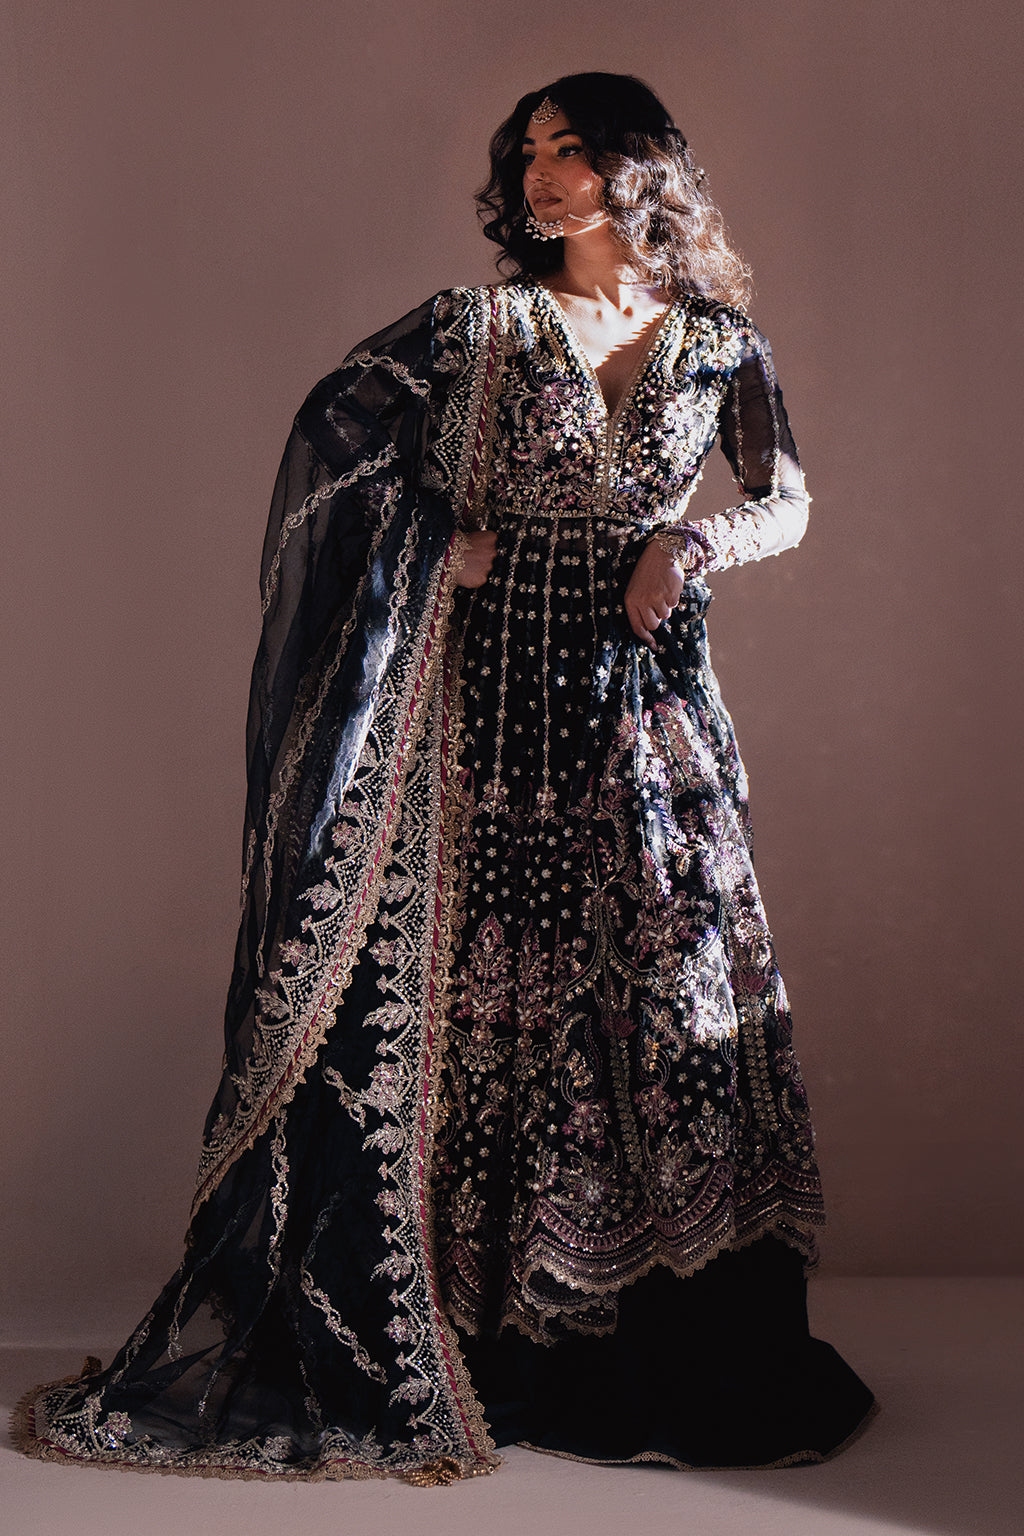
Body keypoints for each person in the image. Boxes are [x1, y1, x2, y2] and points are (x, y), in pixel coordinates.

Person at [15, 72, 874, 1484]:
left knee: (667, 988)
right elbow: (332, 456)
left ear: (639, 167)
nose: (542, 177)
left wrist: (692, 544)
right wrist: (431, 543)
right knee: (487, 1001)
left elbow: (785, 496)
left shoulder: (722, 343)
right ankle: (489, 1340)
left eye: (572, 150)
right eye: (528, 153)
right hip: (487, 718)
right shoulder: (478, 331)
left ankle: (662, 1343)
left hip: (651, 716)